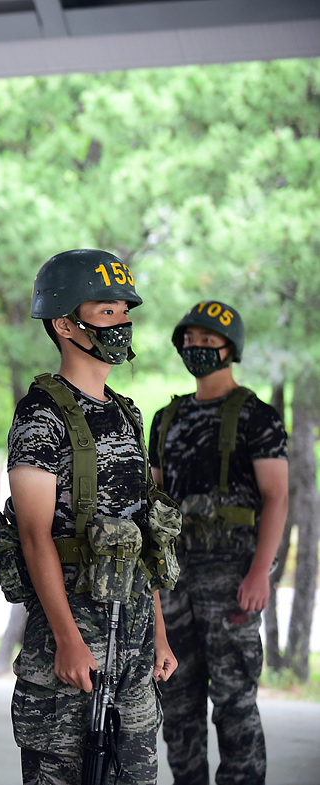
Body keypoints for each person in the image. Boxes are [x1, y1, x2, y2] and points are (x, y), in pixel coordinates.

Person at [7, 249, 177, 784]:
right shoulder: (40, 414)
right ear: (64, 323)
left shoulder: (129, 413)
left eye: (125, 311)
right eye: (107, 312)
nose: (122, 323)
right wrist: (66, 637)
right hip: (73, 640)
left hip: (133, 647)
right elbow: (35, 537)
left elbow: (142, 539)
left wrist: (160, 634)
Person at [149, 300, 288, 785]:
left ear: (231, 349)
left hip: (232, 578)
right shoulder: (166, 419)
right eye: (190, 340)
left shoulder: (258, 417)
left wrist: (259, 573)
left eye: (209, 341)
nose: (197, 348)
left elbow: (276, 498)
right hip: (173, 581)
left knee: (233, 702)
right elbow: (155, 502)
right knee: (178, 700)